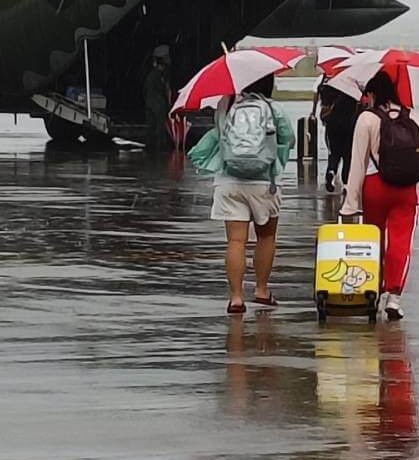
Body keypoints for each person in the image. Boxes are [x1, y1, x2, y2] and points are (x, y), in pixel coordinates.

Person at [187, 74, 295, 314]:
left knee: (236, 241)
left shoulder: (226, 105)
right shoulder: (272, 107)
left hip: (229, 181)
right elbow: (289, 139)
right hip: (264, 183)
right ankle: (262, 290)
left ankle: (236, 298)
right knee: (266, 237)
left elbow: (219, 136)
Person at [339, 71, 419, 321]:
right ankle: (394, 297)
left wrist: (350, 204)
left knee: (374, 241)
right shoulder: (412, 116)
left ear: (372, 94)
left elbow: (357, 163)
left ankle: (374, 288)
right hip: (407, 188)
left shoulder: (367, 119)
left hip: (375, 186)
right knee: (401, 243)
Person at [319, 83, 360, 194]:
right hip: (349, 127)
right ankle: (346, 183)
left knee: (334, 153)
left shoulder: (331, 87)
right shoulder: (353, 92)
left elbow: (323, 105)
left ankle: (331, 170)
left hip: (332, 127)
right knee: (348, 156)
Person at [143, 53, 173, 151]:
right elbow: (166, 90)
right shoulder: (162, 76)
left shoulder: (150, 75)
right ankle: (161, 147)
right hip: (159, 103)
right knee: (160, 126)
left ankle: (149, 146)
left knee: (151, 125)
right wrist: (169, 104)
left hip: (149, 102)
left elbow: (144, 90)